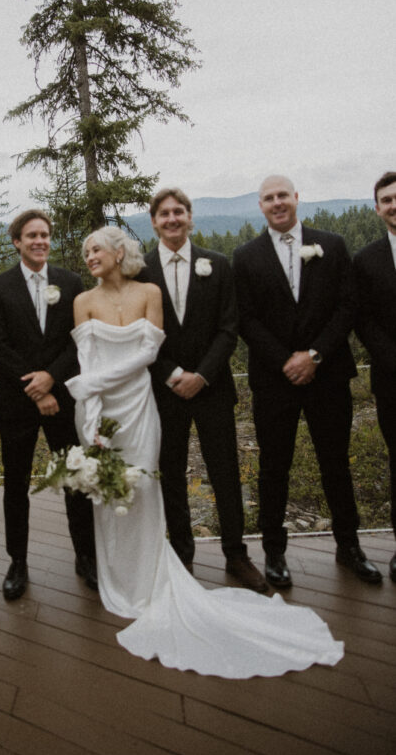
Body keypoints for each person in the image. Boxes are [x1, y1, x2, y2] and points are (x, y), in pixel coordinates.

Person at [65, 226, 344, 677]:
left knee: (147, 486)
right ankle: (116, 576)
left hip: (139, 403)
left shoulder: (149, 291)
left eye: (96, 248)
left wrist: (91, 384)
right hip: (100, 407)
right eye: (86, 251)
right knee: (110, 491)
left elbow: (152, 350)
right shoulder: (82, 301)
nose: (89, 256)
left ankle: (164, 572)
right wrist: (91, 411)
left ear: (118, 253)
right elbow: (87, 362)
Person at [232, 175, 381, 588]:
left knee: (336, 463)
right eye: (269, 198)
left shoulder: (331, 245)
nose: (277, 202)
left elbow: (348, 306)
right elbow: (246, 318)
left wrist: (314, 355)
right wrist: (286, 361)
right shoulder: (245, 256)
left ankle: (349, 547)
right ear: (260, 206)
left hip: (327, 374)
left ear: (296, 198)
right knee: (273, 467)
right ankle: (274, 553)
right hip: (274, 379)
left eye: (283, 195)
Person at [138, 188, 265, 592]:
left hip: (213, 389)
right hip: (165, 391)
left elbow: (229, 327)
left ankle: (236, 555)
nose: (172, 219)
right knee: (171, 474)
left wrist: (202, 375)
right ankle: (182, 556)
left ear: (190, 218)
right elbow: (138, 333)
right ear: (154, 222)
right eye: (164, 213)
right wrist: (173, 374)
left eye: (179, 211)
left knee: (225, 473)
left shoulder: (218, 264)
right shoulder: (140, 271)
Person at [0, 209, 96, 600]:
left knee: (75, 477)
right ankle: (17, 562)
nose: (39, 241)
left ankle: (86, 556)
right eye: (31, 235)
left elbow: (77, 339)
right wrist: (36, 387)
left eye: (44, 235)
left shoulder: (70, 282)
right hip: (18, 402)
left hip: (62, 397)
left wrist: (51, 377)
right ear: (17, 241)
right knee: (15, 484)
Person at [353, 171, 396, 583]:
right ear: (377, 208)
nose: (394, 205)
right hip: (392, 379)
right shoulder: (367, 260)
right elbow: (363, 320)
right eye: (387, 200)